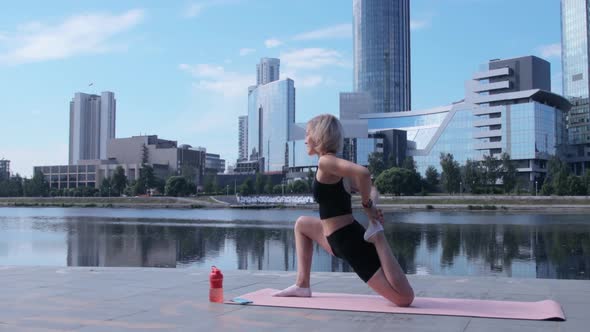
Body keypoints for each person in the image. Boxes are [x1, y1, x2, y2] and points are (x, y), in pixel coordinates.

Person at [273, 114, 414, 307]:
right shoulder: (335, 167)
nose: (305, 140)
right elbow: (372, 189)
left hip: (348, 243)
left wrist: (368, 207)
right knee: (301, 224)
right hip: (335, 237)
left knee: (404, 299)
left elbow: (364, 174)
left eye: (307, 134)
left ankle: (378, 237)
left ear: (318, 135)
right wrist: (372, 205)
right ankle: (302, 284)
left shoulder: (326, 162)